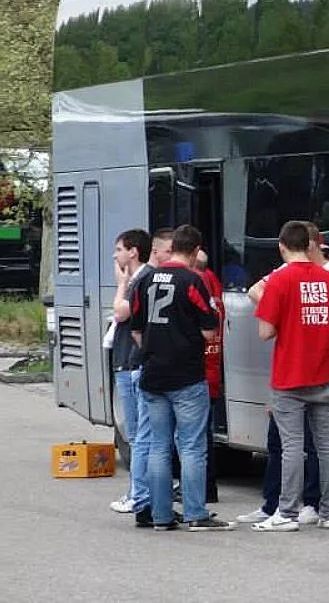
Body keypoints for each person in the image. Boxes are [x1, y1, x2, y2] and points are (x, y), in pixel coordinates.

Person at [129, 225, 233, 531]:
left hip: (153, 375)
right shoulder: (193, 280)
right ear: (196, 249)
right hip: (187, 376)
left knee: (159, 446)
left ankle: (161, 515)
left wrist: (153, 350)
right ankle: (195, 513)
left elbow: (136, 329)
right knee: (190, 446)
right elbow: (208, 329)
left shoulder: (145, 279)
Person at [251, 220, 329, 531]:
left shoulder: (279, 281)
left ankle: (287, 513)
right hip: (322, 374)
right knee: (327, 445)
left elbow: (265, 331)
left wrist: (289, 324)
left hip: (289, 376)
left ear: (282, 246)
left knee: (293, 445)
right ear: (310, 245)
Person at [108, 228, 152, 515]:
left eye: (119, 250)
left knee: (137, 435)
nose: (116, 255)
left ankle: (139, 493)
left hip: (130, 362)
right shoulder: (143, 278)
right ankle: (139, 491)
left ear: (134, 251)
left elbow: (120, 312)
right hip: (126, 360)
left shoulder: (140, 280)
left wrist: (121, 283)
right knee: (140, 434)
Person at [194, 248, 224, 504]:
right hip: (213, 369)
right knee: (205, 433)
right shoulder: (214, 287)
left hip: (199, 371)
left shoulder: (197, 287)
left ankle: (203, 488)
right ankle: (207, 487)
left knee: (197, 436)